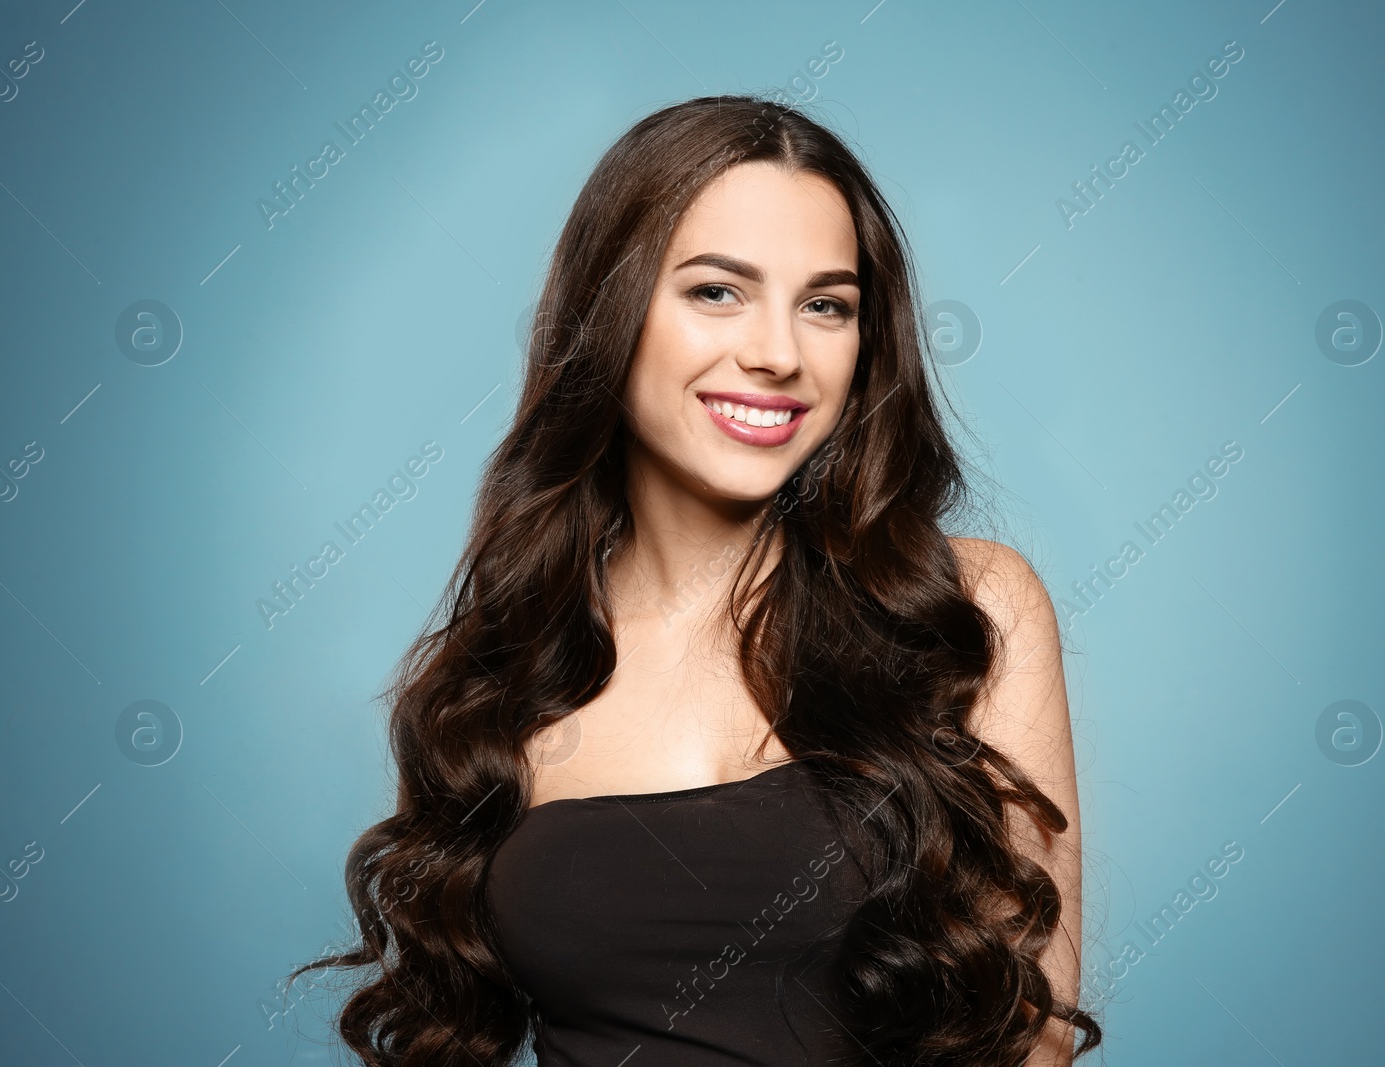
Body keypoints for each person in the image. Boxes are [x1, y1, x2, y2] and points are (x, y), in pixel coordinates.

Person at [289, 94, 1103, 1067]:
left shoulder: (967, 611)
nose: (776, 354)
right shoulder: (498, 674)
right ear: (613, 314)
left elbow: (1033, 1039)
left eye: (826, 305)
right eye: (717, 291)